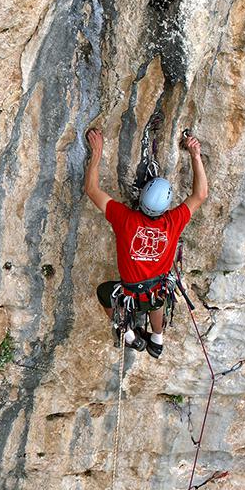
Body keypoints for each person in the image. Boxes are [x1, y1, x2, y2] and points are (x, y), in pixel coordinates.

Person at [83, 127, 208, 358]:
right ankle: (157, 340)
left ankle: (130, 336)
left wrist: (97, 152)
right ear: (166, 206)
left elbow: (92, 190)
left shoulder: (124, 219)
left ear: (141, 198)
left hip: (130, 294)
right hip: (154, 292)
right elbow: (200, 195)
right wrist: (195, 155)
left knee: (104, 292)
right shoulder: (174, 221)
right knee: (158, 295)